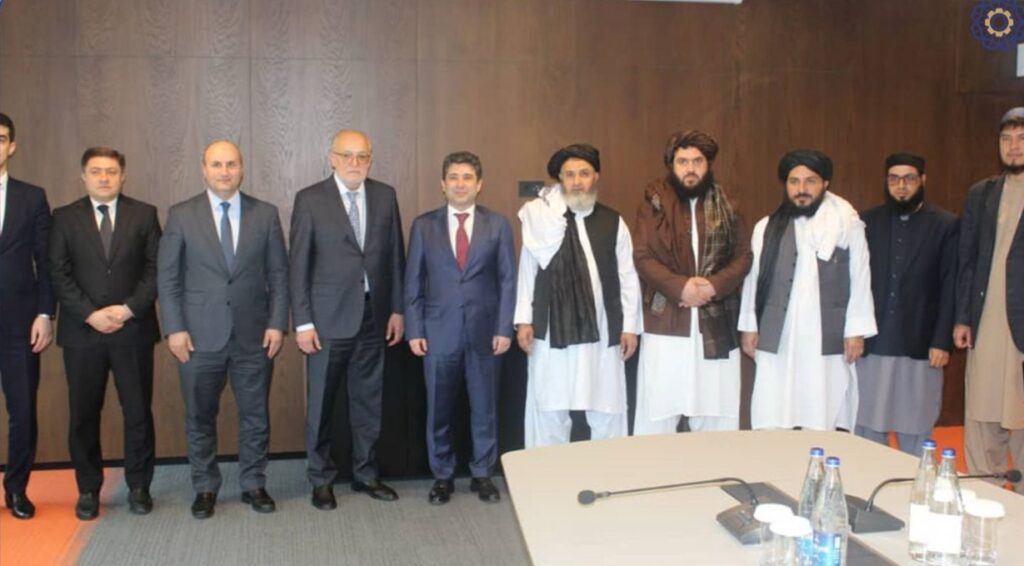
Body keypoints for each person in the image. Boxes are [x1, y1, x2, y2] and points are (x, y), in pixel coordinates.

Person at [157, 140, 289, 518]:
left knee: (255, 416)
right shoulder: (181, 215)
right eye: (216, 164)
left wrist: (277, 324)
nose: (224, 171)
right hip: (198, 338)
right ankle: (205, 487)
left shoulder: (265, 214)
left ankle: (253, 483)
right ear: (204, 169)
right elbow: (168, 278)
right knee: (199, 417)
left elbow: (279, 275)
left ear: (242, 168)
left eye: (231, 164)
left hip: (253, 336)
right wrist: (174, 328)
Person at [290, 129, 406, 508]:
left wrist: (397, 309)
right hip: (326, 321)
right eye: (347, 155)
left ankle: (366, 474)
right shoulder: (310, 199)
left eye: (362, 156)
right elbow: (298, 266)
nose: (355, 163)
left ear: (370, 159)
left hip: (374, 316)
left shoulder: (385, 196)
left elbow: (395, 256)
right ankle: (321, 478)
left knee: (368, 401)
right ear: (332, 158)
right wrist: (303, 322)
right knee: (321, 404)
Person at [50, 147, 162, 519]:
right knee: (83, 414)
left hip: (133, 330)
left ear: (122, 176)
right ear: (83, 176)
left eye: (111, 171)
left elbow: (156, 270)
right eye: (96, 171)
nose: (104, 177)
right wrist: (90, 314)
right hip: (83, 333)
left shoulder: (144, 214)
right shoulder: (64, 217)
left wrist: (128, 309)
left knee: (138, 413)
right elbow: (58, 273)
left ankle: (139, 486)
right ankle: (87, 489)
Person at [405, 151, 516, 505]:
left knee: (484, 409)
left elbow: (508, 281)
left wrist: (504, 328)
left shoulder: (498, 225)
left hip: (486, 334)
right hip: (438, 333)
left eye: (467, 177)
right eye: (453, 177)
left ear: (479, 184)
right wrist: (414, 330)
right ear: (443, 184)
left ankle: (483, 474)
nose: (460, 184)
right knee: (438, 411)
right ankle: (442, 476)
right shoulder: (424, 226)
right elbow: (413, 281)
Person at [514, 143, 642, 447]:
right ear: (560, 178)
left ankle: (607, 470)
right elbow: (527, 272)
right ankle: (548, 472)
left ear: (595, 176)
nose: (577, 181)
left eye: (584, 173)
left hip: (602, 332)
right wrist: (524, 320)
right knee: (550, 408)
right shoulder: (541, 219)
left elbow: (627, 276)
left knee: (606, 407)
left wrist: (629, 327)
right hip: (550, 332)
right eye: (569, 174)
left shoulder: (613, 221)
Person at [738, 149, 876, 431]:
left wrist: (856, 331)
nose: (801, 189)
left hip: (825, 332)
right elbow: (753, 280)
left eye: (810, 181)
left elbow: (861, 277)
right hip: (780, 331)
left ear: (825, 183)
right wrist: (749, 327)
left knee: (822, 402)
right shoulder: (766, 227)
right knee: (775, 404)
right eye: (794, 181)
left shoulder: (846, 225)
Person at [631, 130, 752, 434]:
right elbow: (642, 256)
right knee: (658, 413)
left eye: (697, 161)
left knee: (717, 414)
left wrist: (713, 286)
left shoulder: (728, 203)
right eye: (682, 161)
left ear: (708, 164)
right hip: (667, 321)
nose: (690, 168)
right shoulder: (653, 203)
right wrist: (681, 287)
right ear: (671, 165)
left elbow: (743, 257)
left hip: (717, 322)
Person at [856, 152, 957, 455]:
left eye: (909, 179)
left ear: (922, 180)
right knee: (867, 424)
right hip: (873, 342)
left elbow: (950, 285)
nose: (901, 186)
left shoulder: (945, 224)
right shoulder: (866, 222)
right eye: (894, 179)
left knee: (916, 424)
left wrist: (942, 340)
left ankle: (914, 480)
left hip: (920, 344)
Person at [954, 107, 1024, 492]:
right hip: (987, 321)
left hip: (1021, 326)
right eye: (1006, 139)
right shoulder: (981, 194)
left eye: (1022, 139)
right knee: (983, 410)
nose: (1014, 147)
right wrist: (962, 317)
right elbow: (966, 259)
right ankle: (986, 493)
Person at [0, 112, 54, 520]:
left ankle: (16, 489)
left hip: (19, 324)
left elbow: (46, 261)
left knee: (22, 411)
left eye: (0, 138)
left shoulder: (32, 197)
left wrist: (44, 312)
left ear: (11, 146)